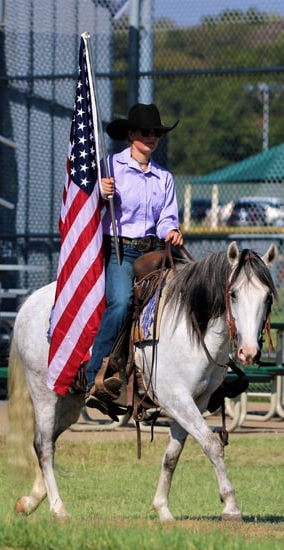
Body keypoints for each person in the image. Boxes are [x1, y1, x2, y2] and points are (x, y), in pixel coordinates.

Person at [84, 103, 184, 404]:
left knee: (177, 304)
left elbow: (167, 216)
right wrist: (100, 192)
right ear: (131, 134)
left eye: (156, 133)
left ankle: (161, 380)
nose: (152, 137)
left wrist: (171, 230)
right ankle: (95, 375)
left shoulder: (163, 178)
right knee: (122, 303)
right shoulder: (109, 167)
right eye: (146, 132)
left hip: (154, 252)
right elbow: (85, 204)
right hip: (119, 250)